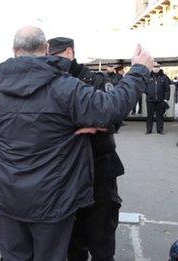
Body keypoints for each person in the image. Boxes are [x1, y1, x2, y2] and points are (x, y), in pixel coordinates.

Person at [0, 26, 153, 260]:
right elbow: (110, 108)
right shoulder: (66, 87)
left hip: (8, 198)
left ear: (14, 50)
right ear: (47, 49)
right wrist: (139, 71)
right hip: (53, 200)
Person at [47, 36, 123, 261]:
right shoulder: (52, 83)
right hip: (66, 176)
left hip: (99, 171)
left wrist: (94, 124)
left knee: (102, 243)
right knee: (72, 245)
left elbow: (114, 118)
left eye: (55, 56)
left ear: (69, 53)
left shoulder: (95, 80)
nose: (50, 62)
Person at [144, 62, 171, 134]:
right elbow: (144, 87)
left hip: (160, 100)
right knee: (149, 116)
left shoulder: (164, 77)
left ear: (159, 67)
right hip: (150, 100)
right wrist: (148, 92)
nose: (156, 68)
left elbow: (167, 89)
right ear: (152, 68)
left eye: (157, 67)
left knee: (160, 116)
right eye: (154, 67)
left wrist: (166, 99)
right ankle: (148, 130)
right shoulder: (148, 76)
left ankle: (160, 130)